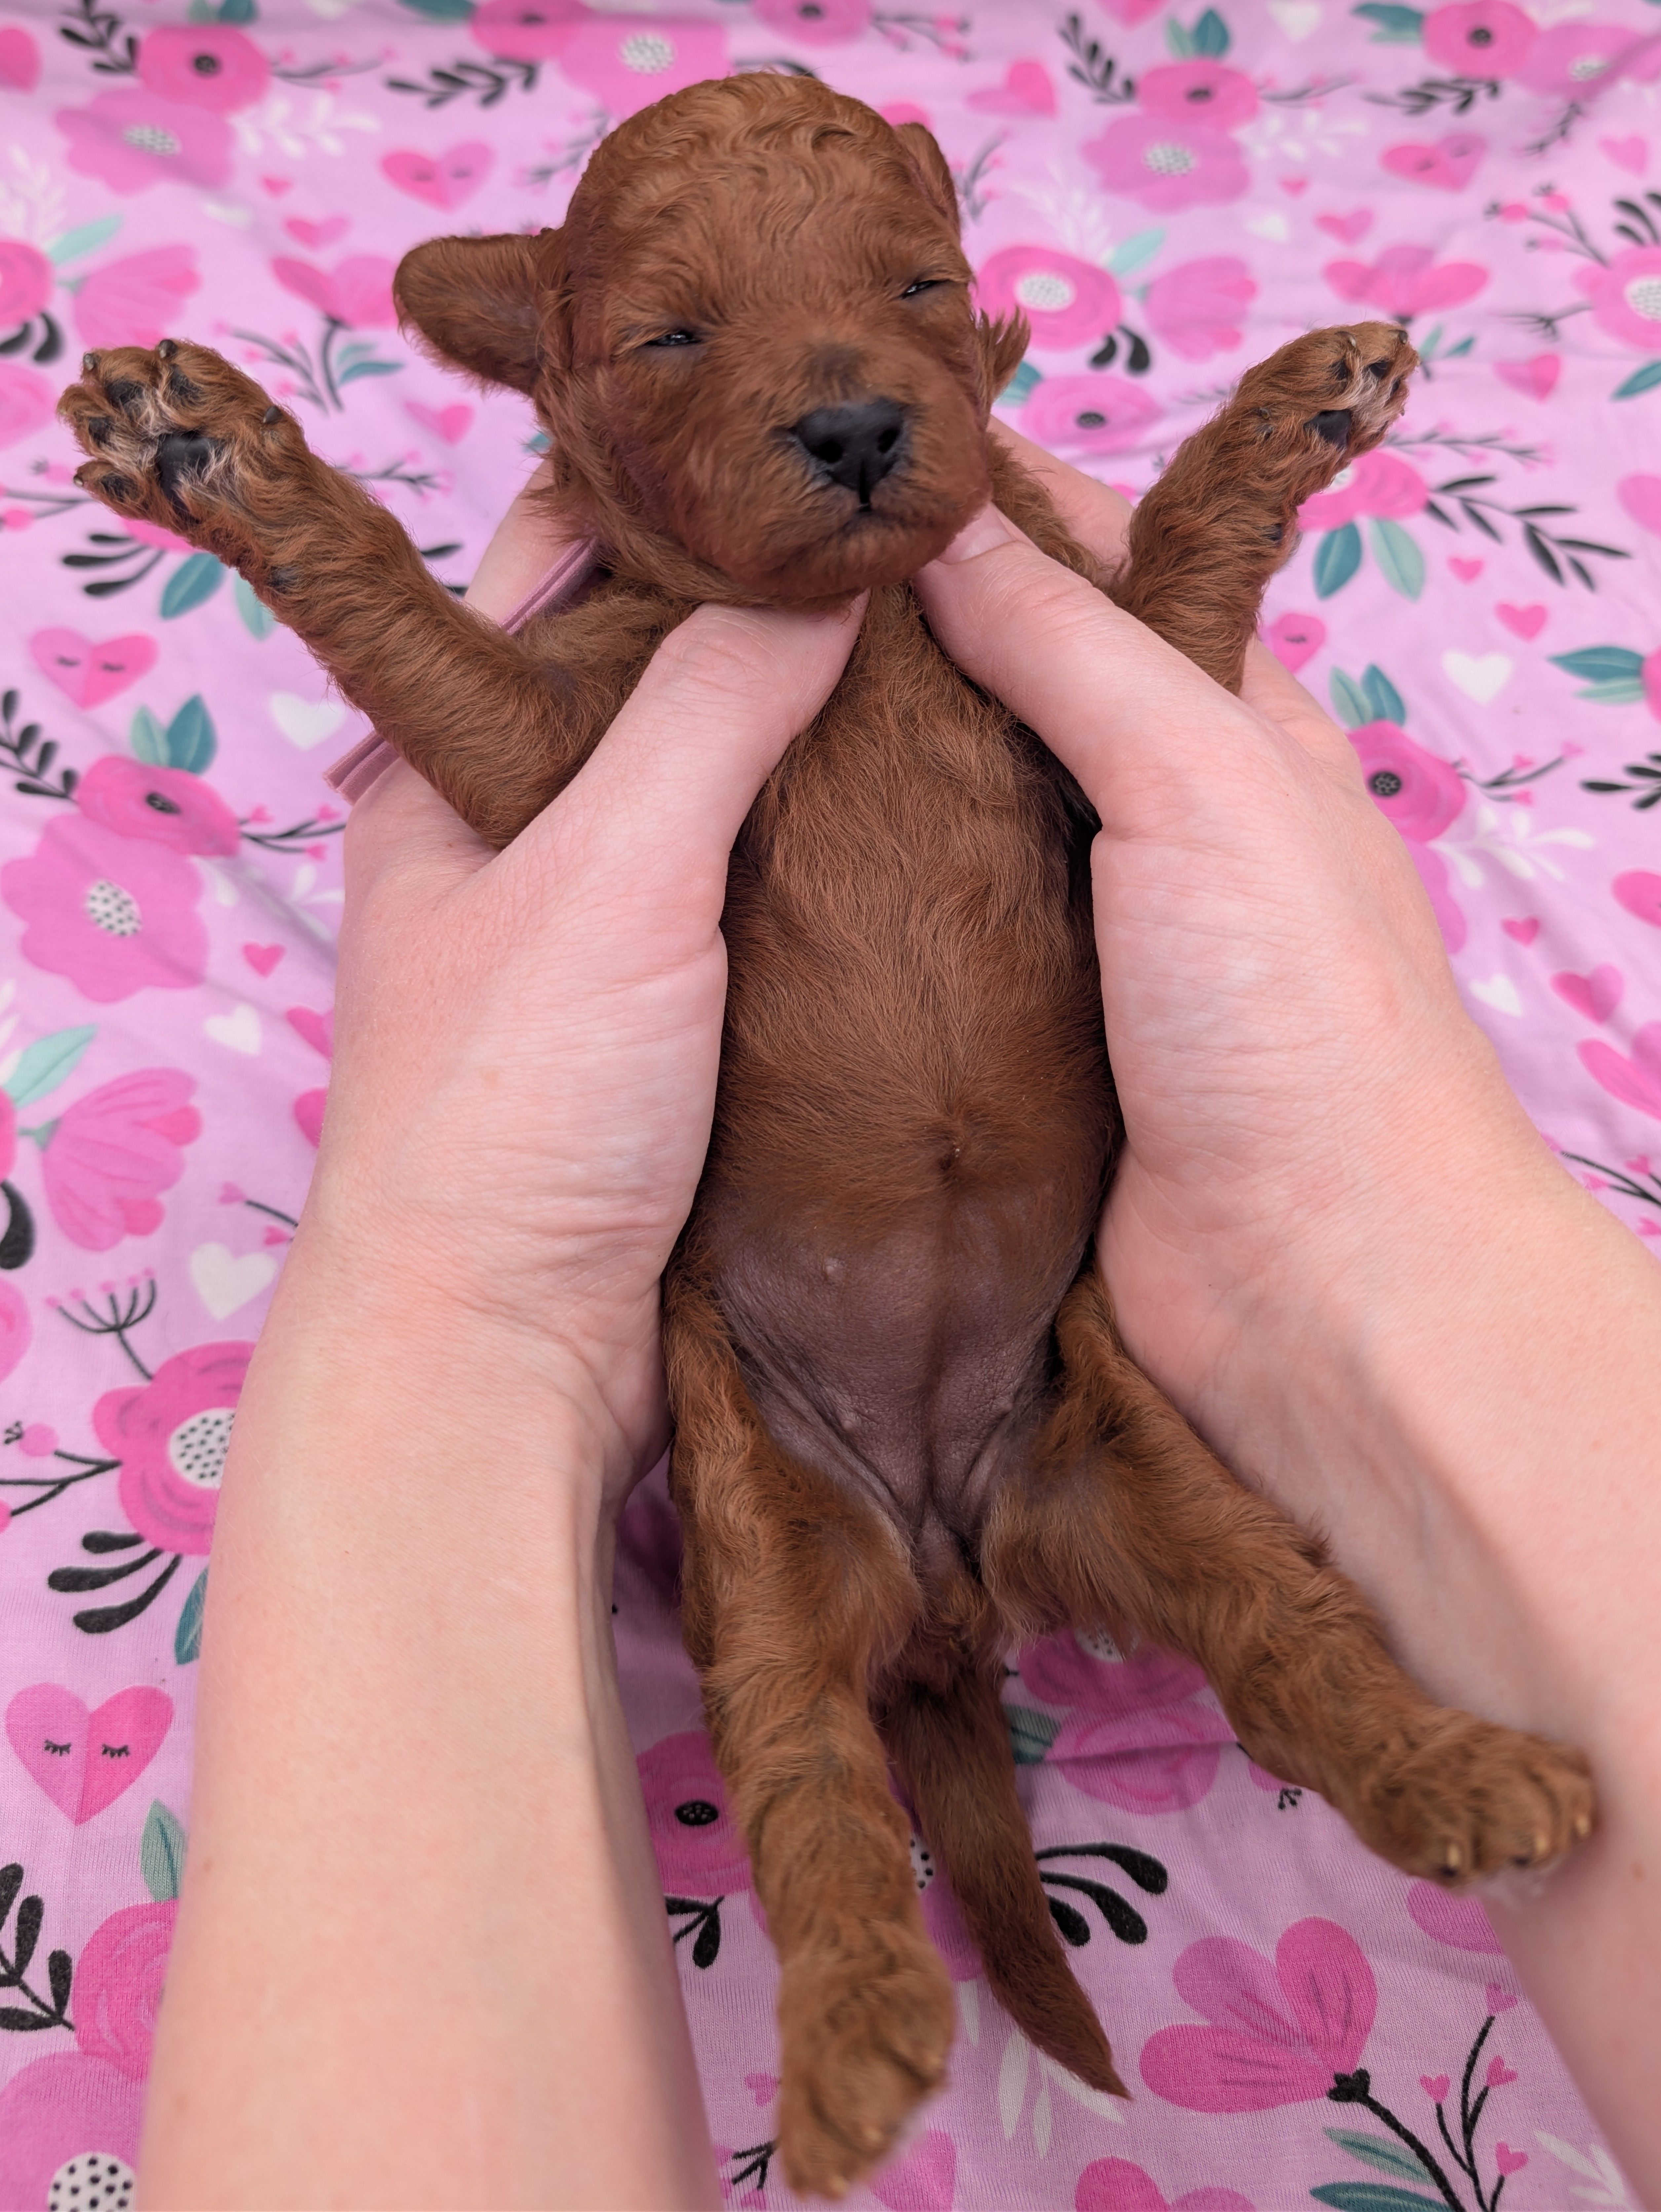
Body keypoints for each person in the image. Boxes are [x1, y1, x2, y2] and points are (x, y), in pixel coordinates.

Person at [135, 432, 1661, 2208]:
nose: (827, 398)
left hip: (1056, 1360)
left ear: (975, 359)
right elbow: (495, 733)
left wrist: (1238, 471)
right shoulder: (619, 635)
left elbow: (1160, 667)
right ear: (554, 383)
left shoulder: (975, 572)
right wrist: (290, 515)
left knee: (1242, 1579)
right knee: (785, 1688)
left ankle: (1404, 1763)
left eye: (907, 299)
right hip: (774, 1385)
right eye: (681, 352)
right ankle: (848, 1976)